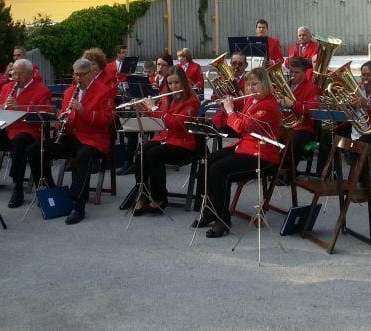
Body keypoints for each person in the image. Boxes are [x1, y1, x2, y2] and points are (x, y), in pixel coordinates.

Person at [192, 67, 283, 238]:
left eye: (255, 84)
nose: (251, 88)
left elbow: (242, 126)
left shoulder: (268, 106)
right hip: (246, 148)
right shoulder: (252, 101)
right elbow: (238, 121)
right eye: (249, 85)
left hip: (263, 156)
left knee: (219, 170)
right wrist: (226, 106)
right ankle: (211, 210)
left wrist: (230, 111)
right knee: (208, 161)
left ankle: (223, 220)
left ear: (265, 84)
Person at [25, 57, 116, 225]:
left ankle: (78, 205)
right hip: (71, 136)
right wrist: (61, 121)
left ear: (91, 73)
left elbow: (106, 120)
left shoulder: (104, 91)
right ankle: (51, 189)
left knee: (84, 155)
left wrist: (83, 110)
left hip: (93, 139)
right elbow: (64, 119)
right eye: (76, 75)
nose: (78, 79)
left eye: (82, 75)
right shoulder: (69, 92)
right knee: (35, 150)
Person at [132, 67, 199, 216]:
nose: (173, 87)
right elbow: (159, 118)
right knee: (142, 151)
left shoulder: (192, 101)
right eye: (170, 83)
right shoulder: (168, 98)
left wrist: (154, 107)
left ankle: (159, 198)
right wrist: (144, 109)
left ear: (184, 82)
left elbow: (177, 122)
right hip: (166, 139)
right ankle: (143, 194)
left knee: (154, 154)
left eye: (176, 83)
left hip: (183, 145)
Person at [0, 59, 53, 208]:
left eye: (20, 74)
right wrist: (2, 107)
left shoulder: (42, 90)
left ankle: (17, 187)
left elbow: (45, 114)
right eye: (13, 73)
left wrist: (20, 107)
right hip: (8, 128)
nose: (15, 77)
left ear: (30, 74)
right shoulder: (7, 88)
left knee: (20, 142)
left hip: (29, 130)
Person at [277, 56, 321, 161]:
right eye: (291, 72)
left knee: (291, 145)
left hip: (302, 127)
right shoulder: (285, 85)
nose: (293, 75)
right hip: (284, 124)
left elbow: (312, 110)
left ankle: (288, 171)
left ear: (305, 72)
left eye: (297, 73)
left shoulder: (312, 88)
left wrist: (292, 104)